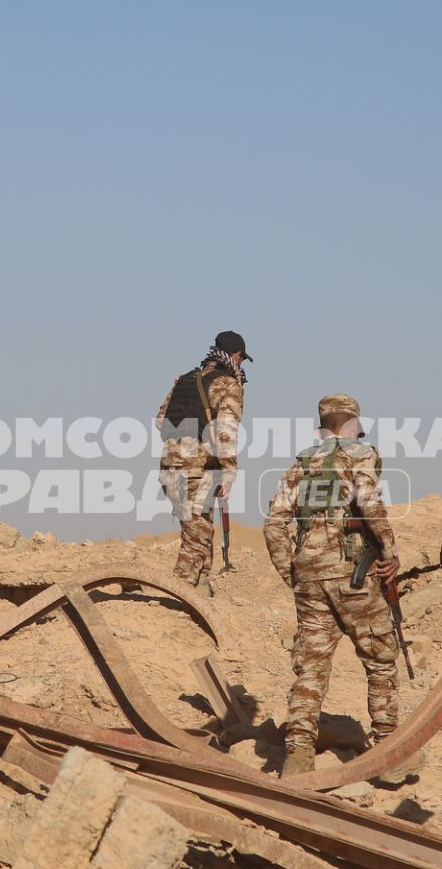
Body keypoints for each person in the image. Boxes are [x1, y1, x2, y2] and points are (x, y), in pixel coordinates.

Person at [263, 393, 415, 783]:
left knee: (311, 668)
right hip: (353, 576)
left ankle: (297, 754)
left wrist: (291, 573)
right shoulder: (360, 454)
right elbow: (368, 502)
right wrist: (391, 550)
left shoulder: (299, 465)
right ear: (351, 423)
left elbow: (274, 524)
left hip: (309, 579)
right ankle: (388, 754)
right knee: (380, 658)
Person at [156, 330, 248, 587]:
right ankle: (178, 589)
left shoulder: (183, 379)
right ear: (237, 356)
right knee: (197, 532)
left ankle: (202, 585)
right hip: (197, 463)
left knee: (198, 525)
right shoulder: (229, 384)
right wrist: (229, 471)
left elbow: (161, 421)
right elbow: (226, 429)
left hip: (169, 461)